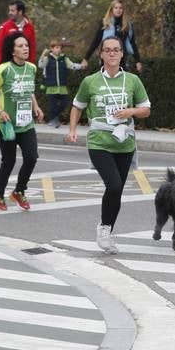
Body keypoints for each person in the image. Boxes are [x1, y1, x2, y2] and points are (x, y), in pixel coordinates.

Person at [67, 36, 150, 254]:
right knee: (113, 185)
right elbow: (77, 106)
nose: (112, 53)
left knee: (117, 191)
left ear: (122, 54)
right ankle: (104, 229)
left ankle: (108, 229)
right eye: (107, 50)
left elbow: (146, 109)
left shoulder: (132, 80)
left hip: (124, 142)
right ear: (101, 54)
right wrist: (73, 130)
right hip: (99, 142)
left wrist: (130, 111)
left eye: (116, 50)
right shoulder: (91, 81)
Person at [0, 32, 43, 211]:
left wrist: (36, 106)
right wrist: (0, 111)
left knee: (31, 157)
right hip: (7, 124)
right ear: (12, 51)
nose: (25, 48)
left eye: (26, 45)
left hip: (26, 123)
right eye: (20, 46)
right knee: (9, 161)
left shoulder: (32, 68)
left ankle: (19, 191)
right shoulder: (3, 69)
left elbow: (29, 90)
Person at [80, 0, 142, 73]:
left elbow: (132, 43)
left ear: (123, 10)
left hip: (121, 58)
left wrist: (137, 61)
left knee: (121, 82)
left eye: (120, 8)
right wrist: (86, 58)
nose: (118, 10)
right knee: (106, 81)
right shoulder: (105, 23)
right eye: (116, 8)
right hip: (106, 57)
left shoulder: (127, 25)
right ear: (111, 9)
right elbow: (96, 41)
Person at [39, 38, 76, 128]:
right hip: (51, 87)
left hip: (62, 87)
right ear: (51, 49)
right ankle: (52, 120)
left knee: (65, 103)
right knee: (52, 106)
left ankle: (54, 118)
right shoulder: (48, 58)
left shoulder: (64, 58)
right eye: (56, 47)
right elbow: (40, 65)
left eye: (59, 48)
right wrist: (43, 54)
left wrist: (81, 66)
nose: (58, 49)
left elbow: (72, 65)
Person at [0, 0, 37, 66]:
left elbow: (32, 47)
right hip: (8, 64)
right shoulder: (5, 26)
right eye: (9, 10)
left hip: (25, 65)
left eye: (12, 11)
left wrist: (31, 63)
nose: (9, 12)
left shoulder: (30, 27)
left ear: (20, 12)